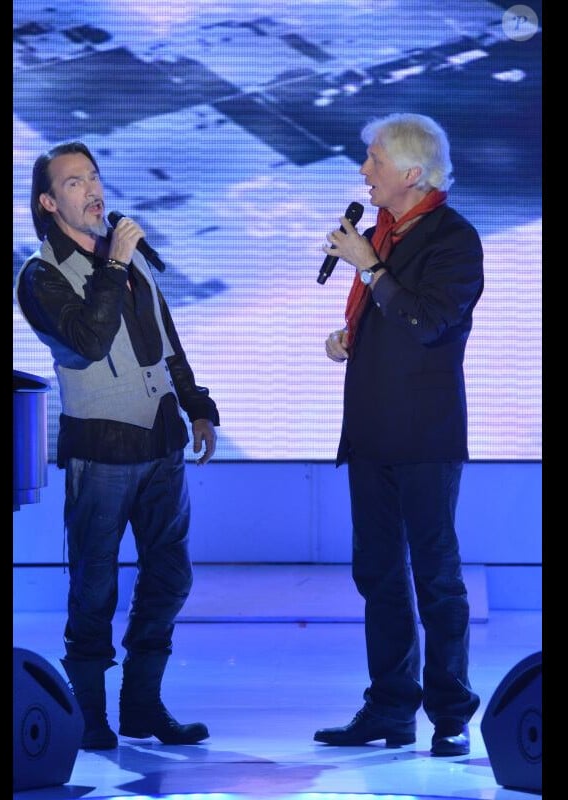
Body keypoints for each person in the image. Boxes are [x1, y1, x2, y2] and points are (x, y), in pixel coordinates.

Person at [15, 141, 220, 750]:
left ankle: (142, 704)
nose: (92, 189)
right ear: (49, 202)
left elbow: (165, 340)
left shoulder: (129, 257)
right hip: (100, 450)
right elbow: (90, 339)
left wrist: (197, 403)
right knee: (94, 583)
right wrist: (114, 266)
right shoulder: (40, 276)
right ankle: (89, 713)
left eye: (95, 176)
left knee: (169, 575)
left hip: (161, 443)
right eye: (75, 182)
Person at [313, 113, 483, 756]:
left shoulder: (453, 238)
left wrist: (370, 268)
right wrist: (349, 336)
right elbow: (388, 319)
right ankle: (389, 708)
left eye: (374, 161)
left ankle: (450, 714)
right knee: (378, 575)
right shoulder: (380, 231)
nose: (364, 171)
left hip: (425, 435)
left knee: (436, 577)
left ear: (412, 174)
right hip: (371, 434)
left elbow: (429, 322)